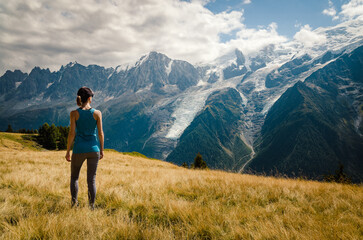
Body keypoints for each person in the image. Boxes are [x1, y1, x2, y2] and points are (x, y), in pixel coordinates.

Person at [65, 87, 104, 210]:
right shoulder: (97, 113)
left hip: (79, 149)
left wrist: (67, 151)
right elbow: (100, 133)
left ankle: (74, 204)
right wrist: (101, 150)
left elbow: (72, 134)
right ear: (89, 98)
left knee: (74, 178)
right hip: (94, 149)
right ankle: (91, 207)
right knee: (91, 180)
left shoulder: (74, 114)